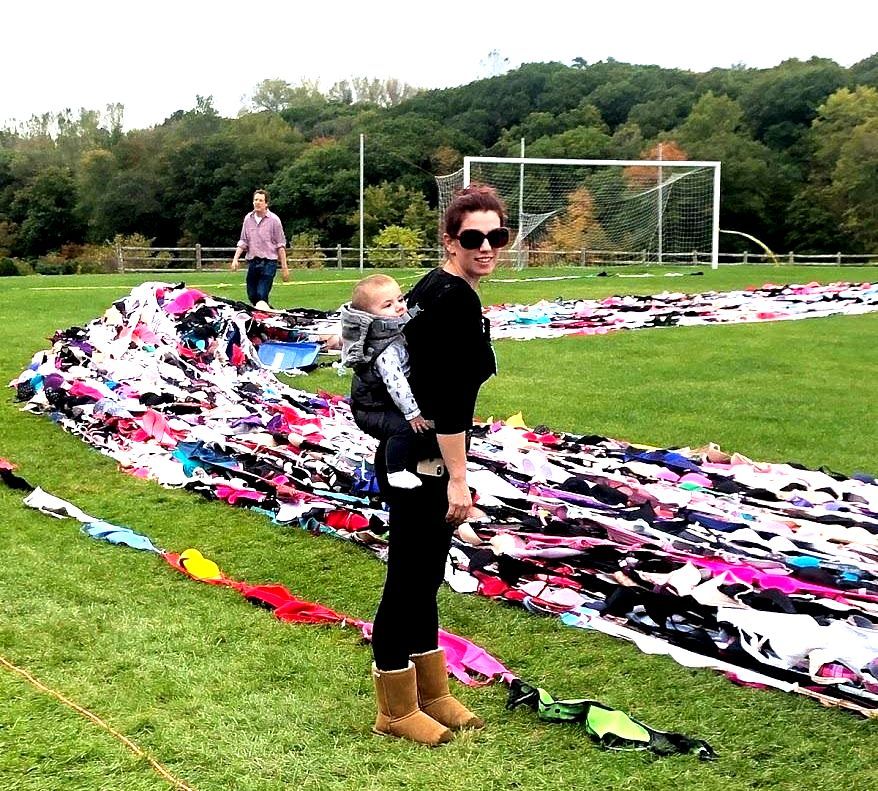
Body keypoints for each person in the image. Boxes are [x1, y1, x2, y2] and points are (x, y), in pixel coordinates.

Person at [369, 184, 509, 746]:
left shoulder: (438, 287)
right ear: (450, 241)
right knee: (407, 581)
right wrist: (458, 477)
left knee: (425, 577)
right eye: (473, 238)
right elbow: (451, 404)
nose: (486, 247)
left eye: (496, 236)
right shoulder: (453, 298)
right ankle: (395, 709)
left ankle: (432, 691)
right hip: (421, 458)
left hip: (413, 451)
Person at [340, 274, 431, 490]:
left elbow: (406, 317)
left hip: (379, 401)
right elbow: (396, 384)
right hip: (370, 409)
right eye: (388, 305)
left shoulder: (389, 329)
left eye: (400, 299)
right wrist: (413, 414)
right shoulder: (385, 351)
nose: (399, 308)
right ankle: (395, 471)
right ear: (369, 316)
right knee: (404, 428)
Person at [230, 189, 289, 309]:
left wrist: (284, 268)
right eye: (255, 200)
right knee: (252, 296)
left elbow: (280, 245)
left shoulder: (274, 220)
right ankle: (272, 313)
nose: (257, 202)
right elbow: (243, 241)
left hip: (269, 263)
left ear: (266, 204)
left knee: (261, 295)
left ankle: (267, 317)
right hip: (253, 262)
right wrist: (235, 259)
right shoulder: (248, 219)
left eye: (261, 200)